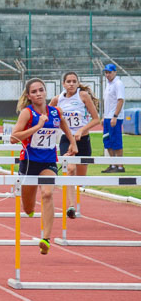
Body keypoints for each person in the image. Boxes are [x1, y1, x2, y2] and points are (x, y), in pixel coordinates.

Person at [11, 78, 77, 255]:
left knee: (47, 193)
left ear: (46, 92)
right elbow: (13, 137)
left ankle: (45, 239)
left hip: (48, 161)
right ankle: (31, 211)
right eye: (34, 92)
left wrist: (72, 141)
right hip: (29, 163)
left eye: (41, 90)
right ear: (29, 96)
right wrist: (38, 126)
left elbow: (63, 123)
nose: (38, 93)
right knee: (28, 208)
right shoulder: (27, 113)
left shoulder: (55, 111)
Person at [49, 71, 101, 217]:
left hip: (83, 140)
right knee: (69, 169)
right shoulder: (57, 100)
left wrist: (81, 130)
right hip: (66, 139)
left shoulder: (83, 96)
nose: (71, 84)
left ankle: (77, 192)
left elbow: (96, 119)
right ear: (63, 84)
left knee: (80, 180)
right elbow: (46, 114)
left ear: (78, 83)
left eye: (74, 81)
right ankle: (71, 206)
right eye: (68, 81)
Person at [101, 64, 126, 173]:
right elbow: (107, 102)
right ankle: (113, 164)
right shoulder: (108, 84)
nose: (107, 74)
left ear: (115, 72)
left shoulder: (118, 84)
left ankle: (120, 166)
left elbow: (120, 100)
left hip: (115, 117)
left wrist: (115, 116)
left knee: (116, 142)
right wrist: (104, 116)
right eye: (106, 72)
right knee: (107, 141)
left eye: (109, 72)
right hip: (107, 117)